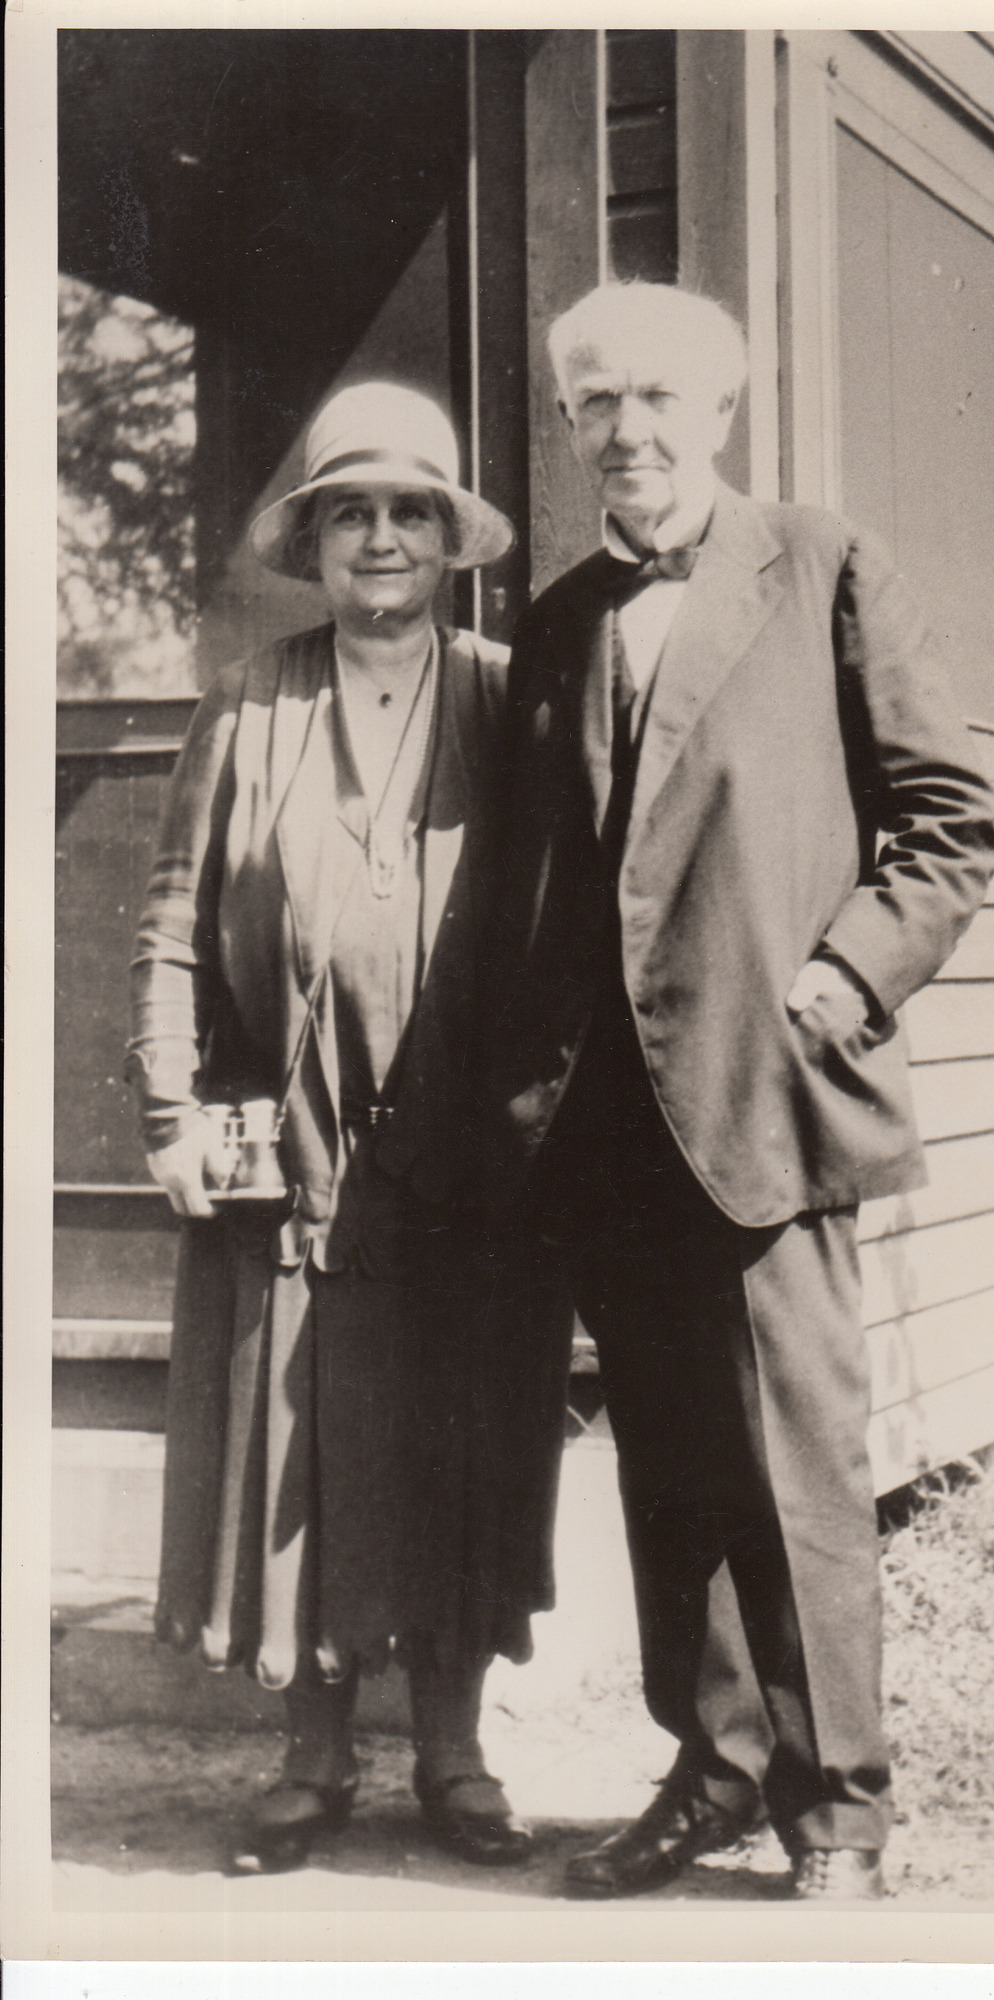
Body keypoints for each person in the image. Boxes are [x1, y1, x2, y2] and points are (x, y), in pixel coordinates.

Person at [469, 283, 994, 1901]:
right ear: (567, 426)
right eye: (592, 404)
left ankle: (839, 1816)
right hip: (609, 1128)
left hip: (765, 1093)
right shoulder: (558, 620)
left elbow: (947, 815)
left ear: (721, 410)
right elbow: (537, 880)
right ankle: (710, 1770)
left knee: (799, 1475)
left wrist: (847, 977)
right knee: (671, 1472)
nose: (625, 431)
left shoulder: (825, 564)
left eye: (654, 400)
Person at [127, 382, 571, 1875]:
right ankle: (310, 1758)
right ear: (311, 541)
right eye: (350, 513)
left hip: (466, 1152)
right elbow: (172, 925)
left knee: (464, 1433)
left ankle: (455, 1755)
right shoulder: (249, 702)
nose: (380, 539)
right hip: (294, 1144)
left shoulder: (514, 699)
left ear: (450, 541)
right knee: (298, 1449)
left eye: (408, 513)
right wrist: (168, 1106)